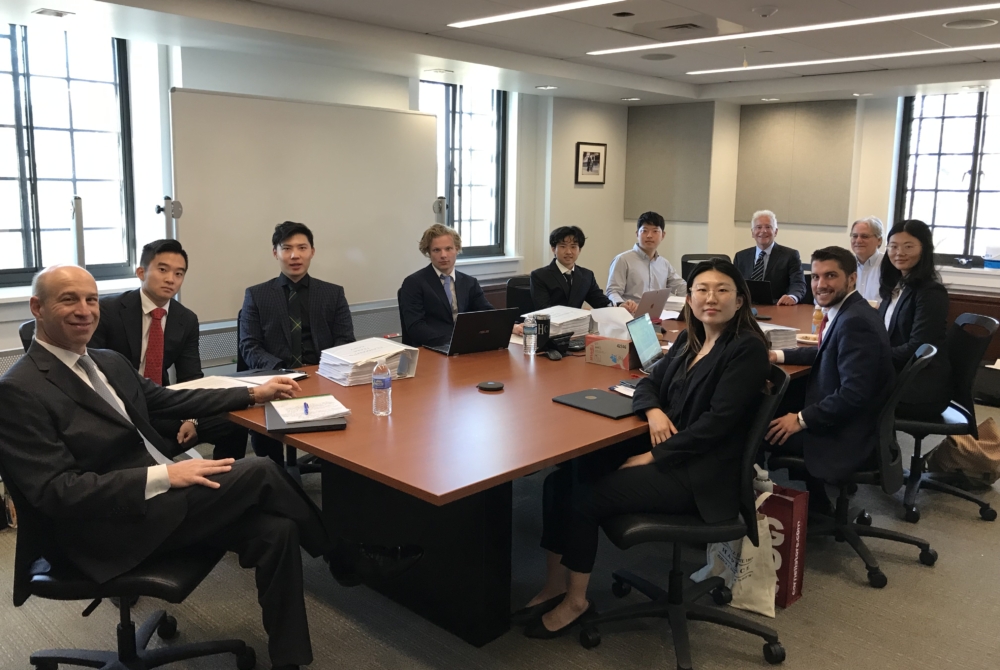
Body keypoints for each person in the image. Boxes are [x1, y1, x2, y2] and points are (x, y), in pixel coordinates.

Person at [0, 265, 323, 670]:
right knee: (258, 471)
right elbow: (56, 492)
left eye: (92, 299)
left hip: (160, 503)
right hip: (105, 527)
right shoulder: (19, 390)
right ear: (37, 307)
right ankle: (344, 559)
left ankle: (289, 662)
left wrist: (253, 392)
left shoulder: (107, 361)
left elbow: (168, 401)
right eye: (69, 299)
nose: (85, 310)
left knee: (278, 530)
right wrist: (166, 475)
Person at [514, 258, 770, 638]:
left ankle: (576, 602)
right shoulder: (690, 338)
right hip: (672, 450)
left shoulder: (746, 349)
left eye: (722, 290)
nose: (710, 298)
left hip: (701, 474)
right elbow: (649, 381)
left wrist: (653, 455)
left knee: (585, 498)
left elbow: (717, 425)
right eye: (701, 290)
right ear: (690, 298)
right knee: (562, 480)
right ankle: (555, 585)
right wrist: (652, 411)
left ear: (739, 300)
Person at [89, 239, 249, 460]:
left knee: (233, 423)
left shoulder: (185, 319)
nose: (170, 279)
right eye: (162, 270)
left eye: (178, 274)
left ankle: (225, 485)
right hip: (119, 406)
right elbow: (91, 368)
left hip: (160, 405)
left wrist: (189, 420)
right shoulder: (108, 310)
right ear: (141, 272)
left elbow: (191, 376)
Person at [765, 246, 894, 513]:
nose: (820, 284)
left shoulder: (854, 323)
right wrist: (776, 355)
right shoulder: (851, 311)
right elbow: (826, 352)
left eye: (830, 276)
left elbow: (853, 394)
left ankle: (761, 511)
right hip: (854, 421)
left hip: (848, 434)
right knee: (774, 406)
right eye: (815, 277)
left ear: (851, 278)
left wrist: (800, 419)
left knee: (755, 429)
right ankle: (816, 503)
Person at [240, 221, 355, 463]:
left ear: (312, 251)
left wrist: (322, 372)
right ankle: (277, 481)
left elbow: (345, 342)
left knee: (349, 432)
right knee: (265, 446)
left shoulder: (332, 294)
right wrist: (283, 371)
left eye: (302, 248)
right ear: (275, 253)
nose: (295, 255)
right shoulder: (257, 295)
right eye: (287, 248)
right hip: (274, 381)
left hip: (324, 379)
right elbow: (249, 347)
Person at [878, 220, 952, 418]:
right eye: (893, 246)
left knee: (847, 392)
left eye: (908, 246)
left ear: (924, 249)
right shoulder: (897, 285)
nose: (899, 252)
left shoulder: (931, 292)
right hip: (897, 373)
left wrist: (873, 357)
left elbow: (918, 347)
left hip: (918, 387)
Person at [606, 211, 687, 313]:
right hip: (630, 315)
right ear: (637, 234)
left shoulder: (664, 264)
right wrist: (621, 304)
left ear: (663, 235)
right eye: (644, 231)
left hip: (658, 316)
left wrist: (701, 290)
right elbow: (612, 291)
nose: (649, 235)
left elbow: (680, 287)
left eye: (655, 231)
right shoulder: (623, 260)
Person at [530, 226, 612, 311]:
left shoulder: (587, 275)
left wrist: (619, 306)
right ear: (553, 249)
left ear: (579, 250)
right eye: (563, 246)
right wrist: (580, 313)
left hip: (579, 324)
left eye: (573, 247)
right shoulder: (540, 276)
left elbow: (601, 302)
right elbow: (544, 309)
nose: (568, 252)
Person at [734, 210, 806, 305]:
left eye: (768, 227)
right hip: (746, 307)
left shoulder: (790, 255)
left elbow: (798, 283)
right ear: (752, 232)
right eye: (758, 227)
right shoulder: (740, 257)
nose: (763, 231)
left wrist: (792, 297)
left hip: (778, 307)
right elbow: (733, 283)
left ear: (775, 232)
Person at [852, 216, 885, 303]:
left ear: (879, 240)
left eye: (864, 236)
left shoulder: (888, 264)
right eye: (855, 236)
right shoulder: (845, 265)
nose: (858, 241)